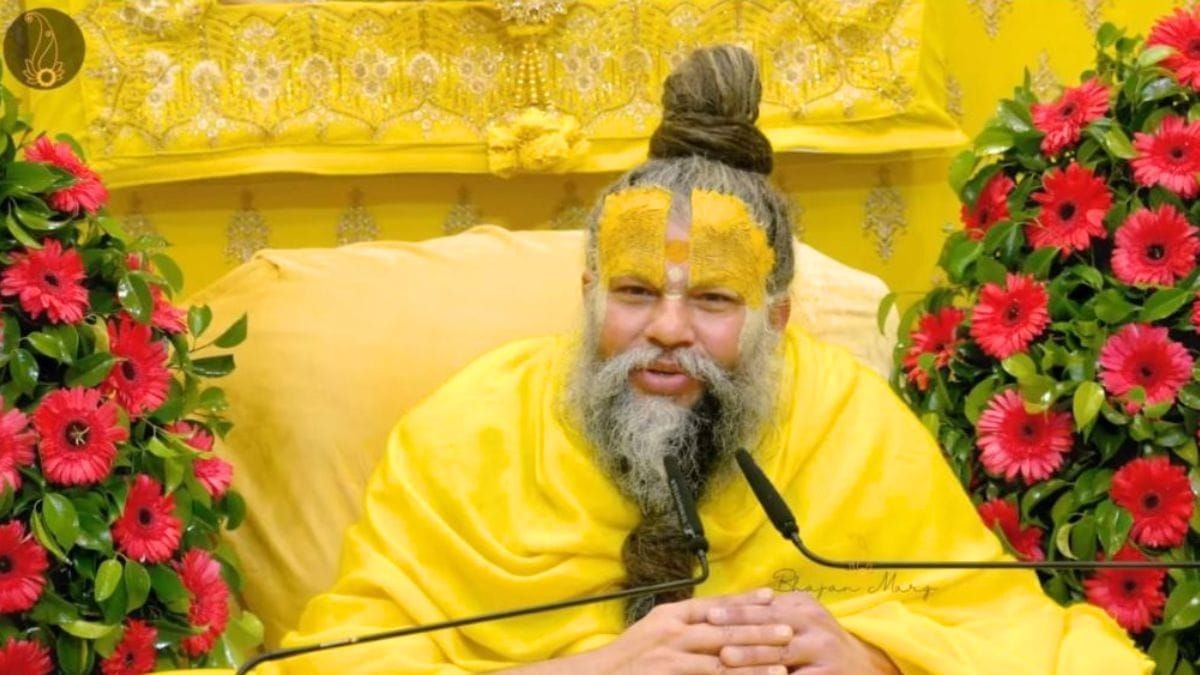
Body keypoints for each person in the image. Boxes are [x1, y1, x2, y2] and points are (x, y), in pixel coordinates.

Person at [270, 46, 1152, 674]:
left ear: (777, 317)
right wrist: (598, 669)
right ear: (587, 292)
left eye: (714, 301)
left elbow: (1007, 628)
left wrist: (875, 657)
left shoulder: (845, 417)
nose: (668, 328)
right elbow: (340, 657)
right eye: (634, 292)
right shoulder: (469, 429)